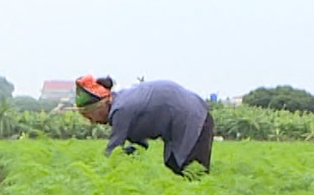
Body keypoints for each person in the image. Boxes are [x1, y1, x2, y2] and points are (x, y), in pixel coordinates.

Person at [74, 74, 215, 176]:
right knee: (174, 164)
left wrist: (96, 175)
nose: (92, 122)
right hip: (188, 118)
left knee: (193, 173)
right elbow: (141, 145)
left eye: (90, 116)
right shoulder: (122, 102)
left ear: (102, 105)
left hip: (194, 119)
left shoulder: (120, 109)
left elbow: (112, 149)